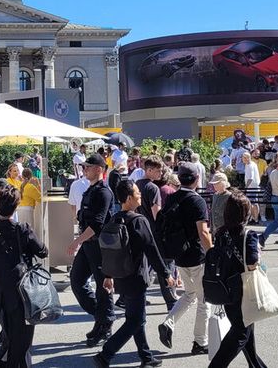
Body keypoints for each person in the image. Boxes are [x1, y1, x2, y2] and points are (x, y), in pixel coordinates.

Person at [91, 180, 175, 368]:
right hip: (136, 277)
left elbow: (107, 251)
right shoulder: (138, 220)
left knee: (136, 317)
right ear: (129, 198)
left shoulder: (114, 219)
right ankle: (105, 355)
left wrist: (107, 275)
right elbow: (151, 249)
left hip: (120, 275)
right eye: (137, 193)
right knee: (135, 320)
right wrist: (166, 273)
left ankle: (145, 356)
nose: (140, 195)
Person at [0, 186, 48, 367]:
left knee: (10, 335)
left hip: (0, 290)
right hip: (22, 291)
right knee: (23, 339)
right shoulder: (22, 229)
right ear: (16, 206)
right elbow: (42, 251)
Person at [206, 191, 268, 367]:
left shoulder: (220, 233)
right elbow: (252, 263)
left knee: (246, 331)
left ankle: (256, 365)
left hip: (226, 288)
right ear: (245, 213)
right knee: (241, 332)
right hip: (244, 289)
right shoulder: (248, 235)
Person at [157, 163, 212, 356]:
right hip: (197, 255)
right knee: (204, 300)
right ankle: (200, 342)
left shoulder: (172, 197)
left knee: (189, 294)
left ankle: (168, 323)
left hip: (179, 255)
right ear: (197, 178)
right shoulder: (197, 201)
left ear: (179, 179)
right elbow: (203, 232)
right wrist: (212, 253)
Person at [67, 153, 115, 347]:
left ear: (99, 169)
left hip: (99, 245)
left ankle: (104, 325)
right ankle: (101, 317)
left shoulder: (103, 192)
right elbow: (82, 215)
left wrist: (76, 241)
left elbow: (97, 224)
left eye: (88, 167)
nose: (84, 170)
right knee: (77, 281)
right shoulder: (90, 189)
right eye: (84, 167)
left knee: (103, 287)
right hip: (88, 244)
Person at [136, 156, 177, 312]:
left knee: (143, 266)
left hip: (139, 229)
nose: (161, 173)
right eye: (158, 170)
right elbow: (157, 214)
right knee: (163, 266)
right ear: (149, 170)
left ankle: (135, 298)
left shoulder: (137, 185)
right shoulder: (153, 188)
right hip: (154, 232)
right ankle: (171, 301)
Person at [241, 152, 261, 224]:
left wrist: (246, 187)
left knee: (253, 203)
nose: (242, 159)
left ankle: (255, 219)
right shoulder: (248, 164)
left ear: (246, 158)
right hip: (251, 187)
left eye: (243, 157)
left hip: (252, 187)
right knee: (252, 203)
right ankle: (254, 218)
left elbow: (251, 178)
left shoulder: (250, 165)